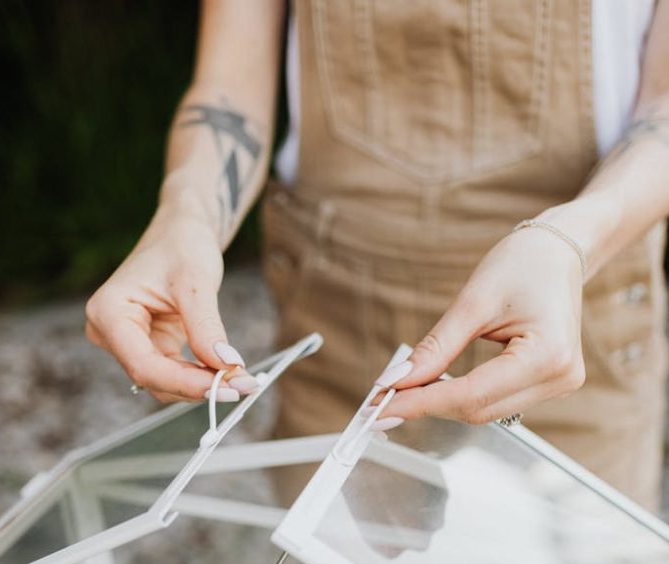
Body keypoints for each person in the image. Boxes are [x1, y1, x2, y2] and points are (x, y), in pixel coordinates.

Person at [86, 0, 669, 509]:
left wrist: (566, 242)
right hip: (339, 333)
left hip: (572, 336)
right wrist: (184, 218)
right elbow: (230, 86)